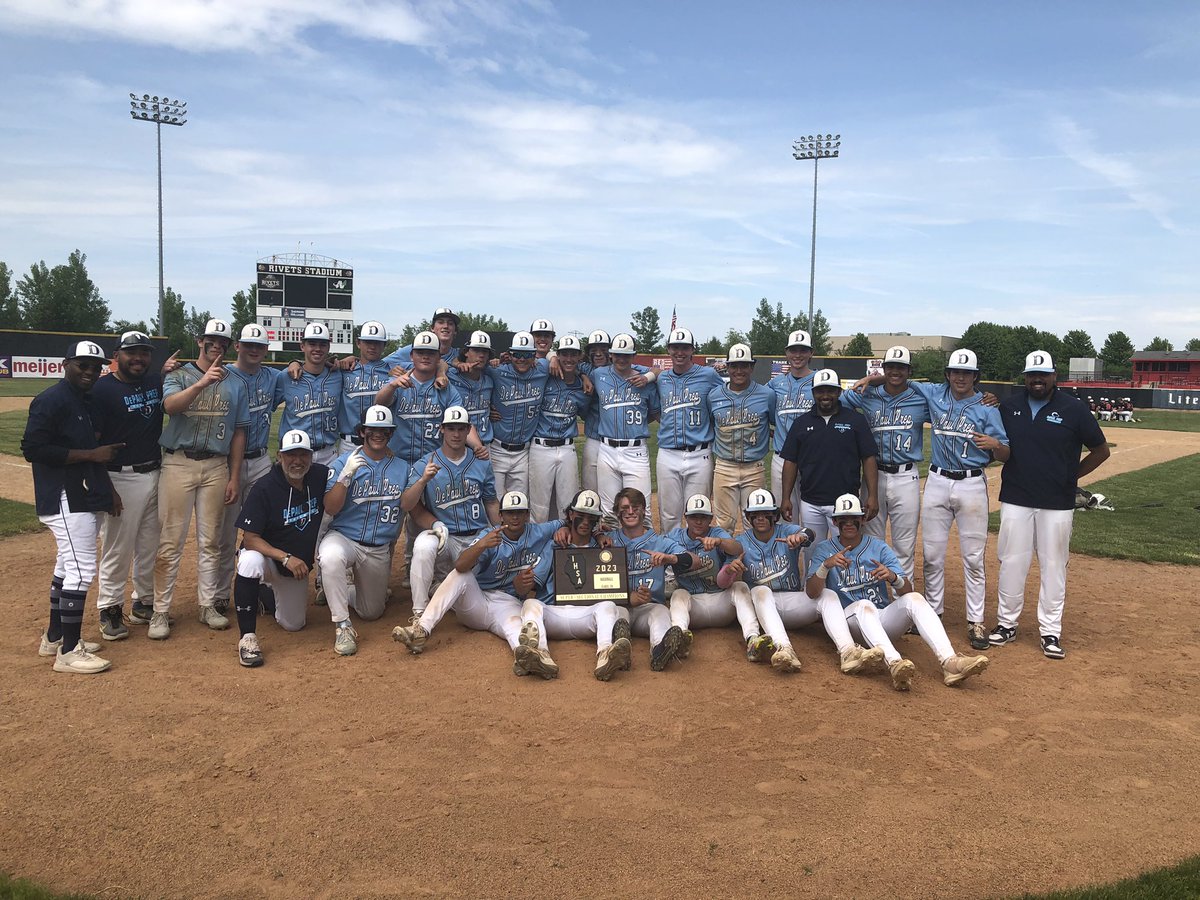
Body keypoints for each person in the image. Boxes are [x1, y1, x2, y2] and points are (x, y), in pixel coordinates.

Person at [989, 350, 1110, 659]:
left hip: (1057, 501)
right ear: (1025, 377)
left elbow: (1100, 450)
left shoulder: (1074, 409)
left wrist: (1072, 477)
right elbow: (998, 443)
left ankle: (1050, 631)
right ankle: (1006, 624)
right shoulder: (1010, 406)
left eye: (1043, 375)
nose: (1037, 379)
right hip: (1016, 496)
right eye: (1032, 374)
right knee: (1011, 562)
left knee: (1054, 565)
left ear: (1055, 376)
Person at [807, 494, 989, 690]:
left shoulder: (879, 548)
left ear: (862, 519)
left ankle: (950, 662)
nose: (849, 523)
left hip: (881, 620)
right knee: (864, 606)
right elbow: (812, 593)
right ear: (835, 521)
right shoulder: (824, 550)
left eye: (854, 519)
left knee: (915, 598)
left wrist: (893, 578)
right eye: (844, 520)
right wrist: (826, 566)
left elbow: (906, 590)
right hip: (849, 624)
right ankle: (894, 663)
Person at [23, 340, 123, 673]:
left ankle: (54, 636)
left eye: (96, 366)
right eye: (83, 364)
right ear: (66, 364)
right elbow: (34, 448)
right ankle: (68, 651)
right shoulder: (51, 400)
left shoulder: (86, 401)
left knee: (67, 566)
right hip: (62, 495)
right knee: (81, 571)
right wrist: (92, 456)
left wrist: (107, 490)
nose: (91, 371)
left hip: (84, 493)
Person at [152, 318, 249, 640]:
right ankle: (160, 611)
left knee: (212, 541)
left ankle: (207, 605)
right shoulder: (178, 375)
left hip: (216, 467)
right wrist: (202, 383)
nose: (216, 344)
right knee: (170, 541)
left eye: (222, 340)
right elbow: (170, 406)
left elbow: (238, 433)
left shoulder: (236, 382)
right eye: (211, 339)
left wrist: (234, 476)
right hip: (178, 464)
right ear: (200, 341)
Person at [392, 491, 556, 678]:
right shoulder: (489, 534)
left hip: (509, 604)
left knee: (519, 632)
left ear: (527, 515)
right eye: (510, 512)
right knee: (460, 575)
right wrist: (481, 546)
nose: (515, 517)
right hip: (477, 599)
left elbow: (563, 524)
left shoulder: (538, 531)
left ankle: (532, 661)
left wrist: (563, 531)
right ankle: (421, 630)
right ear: (501, 516)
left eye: (520, 512)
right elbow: (460, 565)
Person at [730, 489, 881, 675]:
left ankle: (848, 651)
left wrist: (800, 537)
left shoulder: (787, 530)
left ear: (775, 516)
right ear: (748, 517)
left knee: (828, 594)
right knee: (760, 591)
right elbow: (728, 566)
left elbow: (808, 533)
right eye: (755, 515)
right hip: (763, 608)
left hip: (793, 603)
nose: (760, 518)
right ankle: (784, 649)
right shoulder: (741, 541)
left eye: (766, 514)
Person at [918, 349, 1009, 650]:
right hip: (937, 481)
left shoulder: (986, 408)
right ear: (947, 373)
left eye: (966, 373)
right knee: (932, 556)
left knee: (973, 558)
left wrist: (996, 444)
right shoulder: (934, 393)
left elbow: (1005, 453)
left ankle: (976, 621)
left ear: (974, 376)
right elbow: (898, 377)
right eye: (955, 371)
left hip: (971, 484)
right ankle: (933, 613)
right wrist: (869, 376)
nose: (960, 377)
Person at [90, 331, 176, 639]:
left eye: (143, 352)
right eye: (131, 352)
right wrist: (107, 488)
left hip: (155, 471)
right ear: (117, 356)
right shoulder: (102, 390)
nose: (138, 358)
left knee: (149, 545)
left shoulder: (154, 381)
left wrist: (166, 370)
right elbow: (95, 443)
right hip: (120, 476)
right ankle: (110, 608)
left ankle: (144, 602)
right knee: (118, 547)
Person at [231, 429, 329, 667]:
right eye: (290, 455)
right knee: (249, 561)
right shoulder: (264, 487)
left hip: (293, 568)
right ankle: (247, 638)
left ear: (311, 456)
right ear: (279, 456)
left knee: (293, 624)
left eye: (303, 455)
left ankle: (263, 595)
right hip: (270, 558)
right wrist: (285, 558)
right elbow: (251, 538)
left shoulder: (320, 476)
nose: (297, 461)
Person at [318, 405, 410, 656]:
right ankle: (342, 625)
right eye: (372, 429)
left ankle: (337, 589)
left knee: (371, 613)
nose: (377, 434)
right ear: (362, 431)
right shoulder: (343, 462)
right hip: (344, 537)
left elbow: (411, 505)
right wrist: (345, 476)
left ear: (390, 433)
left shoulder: (402, 468)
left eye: (384, 430)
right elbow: (331, 507)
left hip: (377, 548)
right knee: (330, 557)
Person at [400, 406, 500, 620]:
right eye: (451, 428)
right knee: (423, 544)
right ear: (441, 430)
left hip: (475, 538)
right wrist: (423, 480)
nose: (456, 434)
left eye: (461, 429)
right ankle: (419, 612)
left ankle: (441, 588)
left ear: (468, 431)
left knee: (479, 593)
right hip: (445, 539)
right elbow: (407, 505)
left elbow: (491, 502)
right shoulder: (425, 464)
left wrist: (499, 530)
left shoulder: (481, 463)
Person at [840, 346, 930, 580]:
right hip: (873, 475)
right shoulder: (867, 395)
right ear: (884, 368)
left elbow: (950, 400)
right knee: (872, 540)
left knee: (904, 545)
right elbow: (833, 399)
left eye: (901, 367)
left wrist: (873, 377)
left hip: (906, 476)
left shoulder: (920, 399)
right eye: (890, 367)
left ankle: (903, 598)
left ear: (909, 371)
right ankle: (874, 596)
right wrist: (871, 381)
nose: (895, 372)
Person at [526, 489, 633, 680]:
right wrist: (521, 582)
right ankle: (540, 654)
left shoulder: (603, 548)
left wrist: (600, 536)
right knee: (530, 604)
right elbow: (531, 585)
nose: (585, 522)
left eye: (591, 518)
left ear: (597, 521)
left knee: (608, 605)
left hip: (585, 617)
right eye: (580, 516)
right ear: (570, 514)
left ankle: (606, 653)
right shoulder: (554, 545)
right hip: (554, 615)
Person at [215, 323, 282, 616]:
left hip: (260, 461)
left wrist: (294, 363)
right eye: (248, 344)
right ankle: (219, 594)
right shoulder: (223, 376)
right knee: (226, 531)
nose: (254, 350)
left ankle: (263, 586)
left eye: (259, 346)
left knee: (265, 529)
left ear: (266, 350)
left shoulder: (273, 377)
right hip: (227, 462)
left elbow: (300, 375)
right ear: (237, 346)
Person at [778, 369, 878, 556]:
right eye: (820, 391)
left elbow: (869, 458)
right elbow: (791, 461)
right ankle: (813, 586)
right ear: (813, 392)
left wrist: (872, 495)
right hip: (810, 502)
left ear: (839, 392)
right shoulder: (801, 423)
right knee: (812, 553)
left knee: (847, 553)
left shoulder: (855, 420)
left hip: (845, 503)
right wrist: (785, 497)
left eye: (831, 391)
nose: (825, 396)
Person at [665, 494, 768, 662]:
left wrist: (719, 541)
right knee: (678, 594)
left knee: (740, 587)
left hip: (722, 605)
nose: (698, 521)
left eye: (703, 517)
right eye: (694, 517)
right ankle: (680, 637)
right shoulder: (674, 537)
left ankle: (752, 639)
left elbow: (737, 548)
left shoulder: (717, 533)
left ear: (710, 519)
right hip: (694, 608)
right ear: (686, 518)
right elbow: (660, 551)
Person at [607, 488, 697, 671]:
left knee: (661, 612)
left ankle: (659, 650)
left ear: (644, 510)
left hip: (647, 610)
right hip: (618, 605)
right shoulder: (608, 540)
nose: (630, 512)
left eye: (635, 507)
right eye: (625, 508)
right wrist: (598, 535)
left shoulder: (659, 542)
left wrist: (670, 558)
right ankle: (620, 649)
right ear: (617, 512)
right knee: (614, 612)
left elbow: (694, 561)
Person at [655, 328, 723, 535]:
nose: (680, 352)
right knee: (668, 514)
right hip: (667, 453)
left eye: (685, 347)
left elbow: (724, 399)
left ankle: (697, 560)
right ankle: (672, 560)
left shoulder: (709, 375)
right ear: (668, 349)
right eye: (675, 347)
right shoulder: (662, 378)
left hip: (699, 453)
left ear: (693, 349)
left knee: (697, 511)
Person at [708, 342, 775, 534]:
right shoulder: (714, 396)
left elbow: (772, 422)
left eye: (744, 365)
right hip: (724, 466)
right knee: (724, 523)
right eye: (734, 365)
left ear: (752, 367)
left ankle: (752, 563)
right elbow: (712, 423)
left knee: (755, 522)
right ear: (727, 367)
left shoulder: (766, 395)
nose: (739, 370)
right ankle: (727, 564)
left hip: (754, 467)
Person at [592, 335, 661, 517]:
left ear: (634, 356)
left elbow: (659, 371)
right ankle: (612, 546)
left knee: (641, 509)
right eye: (618, 355)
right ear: (611, 355)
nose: (622, 359)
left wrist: (649, 377)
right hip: (606, 450)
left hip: (635, 451)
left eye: (627, 355)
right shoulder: (598, 374)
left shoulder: (643, 377)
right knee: (609, 510)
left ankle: (639, 546)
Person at [528, 335, 589, 522]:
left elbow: (586, 414)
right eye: (564, 354)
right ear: (558, 355)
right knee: (539, 505)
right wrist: (551, 357)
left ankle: (565, 547)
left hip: (566, 447)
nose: (569, 359)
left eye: (573, 354)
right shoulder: (546, 375)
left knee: (568, 502)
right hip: (540, 446)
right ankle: (539, 546)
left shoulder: (584, 386)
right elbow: (539, 358)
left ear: (579, 357)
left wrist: (583, 376)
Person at [487, 330, 548, 499]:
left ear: (534, 355)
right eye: (517, 354)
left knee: (519, 503)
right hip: (497, 448)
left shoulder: (543, 370)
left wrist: (583, 376)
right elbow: (470, 370)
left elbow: (566, 363)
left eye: (527, 355)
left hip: (524, 452)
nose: (521, 359)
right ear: (510, 354)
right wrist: (486, 410)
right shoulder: (496, 370)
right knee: (495, 500)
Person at [275, 322, 342, 466]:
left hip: (329, 453)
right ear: (302, 346)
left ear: (328, 347)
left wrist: (350, 359)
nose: (317, 349)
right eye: (312, 344)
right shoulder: (286, 377)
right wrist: (294, 362)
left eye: (322, 344)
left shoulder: (338, 375)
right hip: (295, 452)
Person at [767, 330, 816, 518]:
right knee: (785, 514)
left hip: (812, 457)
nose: (798, 355)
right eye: (793, 350)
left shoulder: (820, 381)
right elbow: (770, 416)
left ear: (811, 353)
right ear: (786, 353)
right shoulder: (774, 385)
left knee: (812, 514)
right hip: (781, 457)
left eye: (803, 350)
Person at [337, 321, 393, 455]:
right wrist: (296, 362)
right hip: (349, 443)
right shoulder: (344, 369)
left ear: (384, 345)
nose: (372, 347)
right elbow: (319, 365)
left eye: (377, 343)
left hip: (380, 442)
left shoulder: (392, 371)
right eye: (368, 342)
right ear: (358, 343)